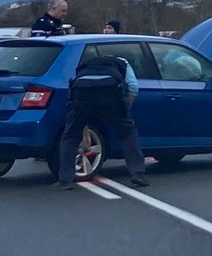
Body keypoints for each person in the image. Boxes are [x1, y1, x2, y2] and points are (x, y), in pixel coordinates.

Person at [52, 54, 149, 190]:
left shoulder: (85, 64)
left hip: (82, 94)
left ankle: (65, 180)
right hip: (110, 93)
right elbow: (133, 87)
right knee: (127, 133)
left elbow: (73, 91)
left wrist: (83, 125)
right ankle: (137, 173)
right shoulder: (123, 62)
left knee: (70, 136)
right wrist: (125, 112)